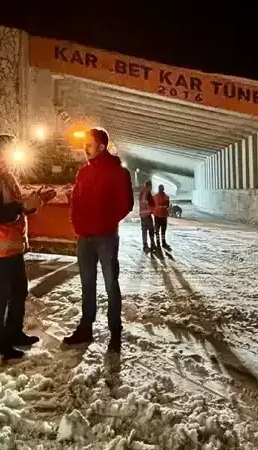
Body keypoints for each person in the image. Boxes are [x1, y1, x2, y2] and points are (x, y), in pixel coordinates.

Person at [0, 133, 43, 362]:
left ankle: (14, 333)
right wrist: (21, 206)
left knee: (17, 293)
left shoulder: (5, 177)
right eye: (11, 148)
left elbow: (14, 208)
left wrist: (31, 205)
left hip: (11, 250)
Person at [64, 128, 134, 353]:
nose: (85, 148)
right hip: (84, 238)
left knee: (111, 284)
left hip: (105, 238)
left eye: (89, 144)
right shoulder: (83, 172)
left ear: (102, 146)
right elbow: (76, 200)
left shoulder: (117, 172)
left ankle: (115, 332)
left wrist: (105, 222)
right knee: (87, 285)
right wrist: (78, 224)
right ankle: (86, 328)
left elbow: (126, 204)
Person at [138, 181, 156, 252]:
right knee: (151, 229)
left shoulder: (142, 192)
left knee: (144, 230)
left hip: (142, 214)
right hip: (147, 214)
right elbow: (152, 203)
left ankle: (145, 245)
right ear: (150, 186)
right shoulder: (147, 192)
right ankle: (152, 244)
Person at [153, 184, 171, 251]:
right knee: (162, 230)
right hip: (162, 216)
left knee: (158, 230)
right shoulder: (166, 197)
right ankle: (163, 243)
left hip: (158, 216)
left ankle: (159, 243)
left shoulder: (155, 197)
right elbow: (167, 205)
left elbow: (153, 206)